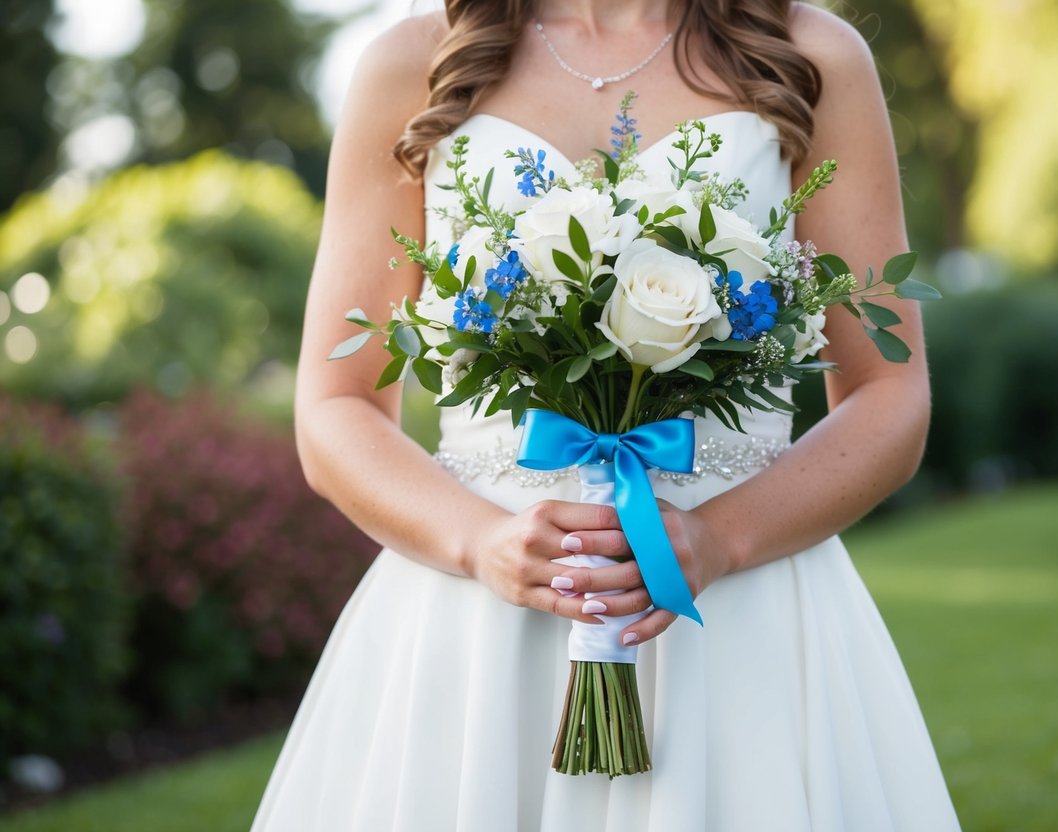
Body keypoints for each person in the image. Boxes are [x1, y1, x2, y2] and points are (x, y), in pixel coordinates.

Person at [253, 1, 961, 829]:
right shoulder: (414, 65)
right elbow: (335, 410)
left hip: (742, 620)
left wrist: (719, 540)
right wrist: (478, 542)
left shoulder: (809, 54)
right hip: (481, 627)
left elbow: (890, 398)